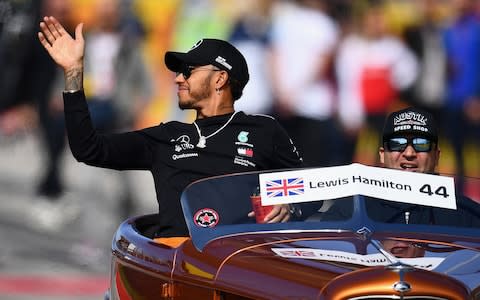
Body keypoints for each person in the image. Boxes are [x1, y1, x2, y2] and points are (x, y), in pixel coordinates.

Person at [38, 16, 304, 238]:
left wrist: (289, 203)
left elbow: (313, 189)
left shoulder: (264, 130)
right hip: (175, 269)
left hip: (237, 268)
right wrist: (74, 71)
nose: (178, 79)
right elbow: (88, 149)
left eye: (188, 71)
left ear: (220, 78)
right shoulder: (167, 137)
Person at [322, 107, 480, 227]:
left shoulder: (465, 214)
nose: (409, 153)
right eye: (398, 144)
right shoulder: (352, 209)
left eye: (421, 144)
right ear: (382, 155)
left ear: (437, 156)